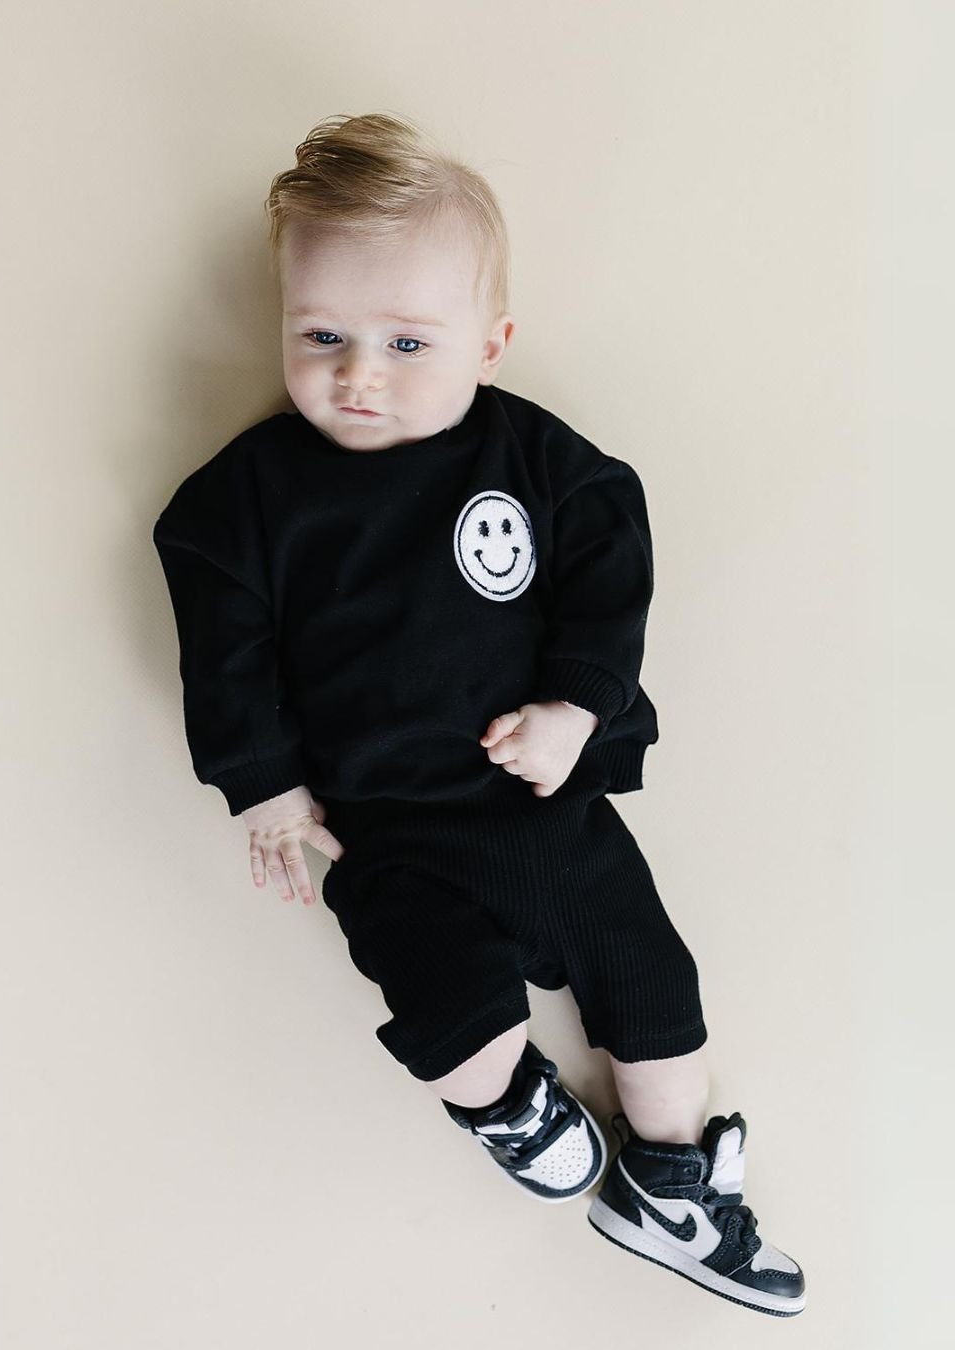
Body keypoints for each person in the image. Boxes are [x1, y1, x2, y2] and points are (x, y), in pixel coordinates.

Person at [151, 112, 806, 1318]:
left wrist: (577, 703)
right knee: (451, 1015)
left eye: (409, 340)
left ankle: (671, 1183)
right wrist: (263, 781)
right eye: (323, 335)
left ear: (491, 343)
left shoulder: (531, 462)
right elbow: (222, 643)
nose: (361, 371)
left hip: (544, 804)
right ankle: (506, 1103)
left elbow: (613, 559)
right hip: (385, 834)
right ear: (284, 327)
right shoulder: (248, 498)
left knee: (652, 988)